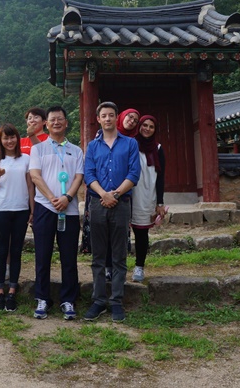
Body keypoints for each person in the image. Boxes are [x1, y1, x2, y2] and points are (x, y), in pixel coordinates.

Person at [84, 101, 141, 323]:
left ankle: (116, 301)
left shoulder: (130, 144)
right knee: (98, 256)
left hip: (122, 203)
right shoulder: (92, 146)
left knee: (119, 255)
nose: (107, 119)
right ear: (98, 119)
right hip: (98, 204)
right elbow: (89, 175)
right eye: (103, 116)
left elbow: (134, 173)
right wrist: (104, 195)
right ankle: (98, 300)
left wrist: (115, 194)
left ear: (116, 118)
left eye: (111, 115)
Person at [29, 105, 84, 321]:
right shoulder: (39, 149)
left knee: (68, 257)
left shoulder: (76, 150)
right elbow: (35, 176)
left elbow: (79, 177)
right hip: (44, 207)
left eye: (60, 119)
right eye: (52, 119)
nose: (56, 122)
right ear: (46, 124)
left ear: (66, 123)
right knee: (43, 255)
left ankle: (68, 299)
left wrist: (67, 197)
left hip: (68, 210)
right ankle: (42, 298)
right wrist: (52, 198)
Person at [0, 124, 34, 312]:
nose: (9, 141)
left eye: (12, 137)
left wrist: (32, 209)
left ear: (17, 138)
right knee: (1, 249)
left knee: (16, 251)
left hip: (21, 209)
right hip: (1, 209)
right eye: (5, 138)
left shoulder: (26, 159)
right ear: (0, 141)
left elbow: (31, 186)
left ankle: (13, 290)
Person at [131, 115, 167, 283]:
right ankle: (114, 267)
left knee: (141, 232)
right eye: (144, 125)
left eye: (151, 126)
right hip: (128, 192)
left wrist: (160, 202)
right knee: (119, 232)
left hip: (146, 195)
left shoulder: (158, 148)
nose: (147, 128)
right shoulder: (130, 144)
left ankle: (139, 267)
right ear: (139, 126)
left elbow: (160, 177)